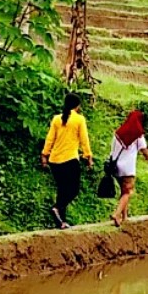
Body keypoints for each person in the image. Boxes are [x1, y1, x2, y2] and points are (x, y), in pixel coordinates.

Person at [41, 93, 93, 229]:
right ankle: (57, 208)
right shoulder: (79, 119)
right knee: (73, 189)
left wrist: (44, 154)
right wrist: (88, 156)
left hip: (54, 160)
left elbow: (50, 138)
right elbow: (84, 139)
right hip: (70, 159)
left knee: (62, 190)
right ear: (77, 106)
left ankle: (61, 221)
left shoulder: (57, 119)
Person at [109, 109, 148, 228]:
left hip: (115, 167)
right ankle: (116, 214)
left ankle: (124, 217)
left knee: (123, 191)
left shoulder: (118, 133)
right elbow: (145, 152)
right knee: (128, 192)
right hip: (128, 168)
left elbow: (112, 150)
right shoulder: (138, 135)